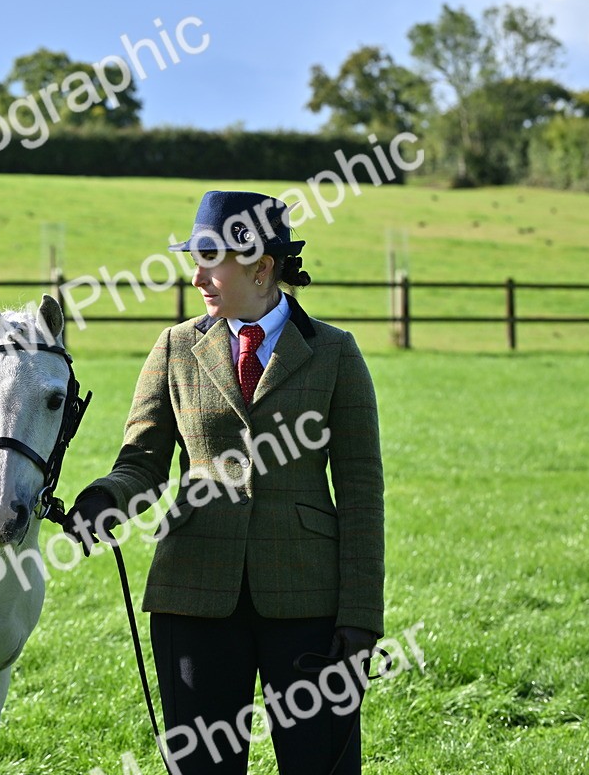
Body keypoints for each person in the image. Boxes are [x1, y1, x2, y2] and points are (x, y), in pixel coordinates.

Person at [65, 190, 384, 773]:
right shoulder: (175, 347)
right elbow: (141, 461)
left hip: (307, 598)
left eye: (210, 257)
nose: (197, 275)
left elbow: (362, 496)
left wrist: (362, 616)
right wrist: (105, 499)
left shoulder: (336, 353)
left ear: (263, 267)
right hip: (193, 595)